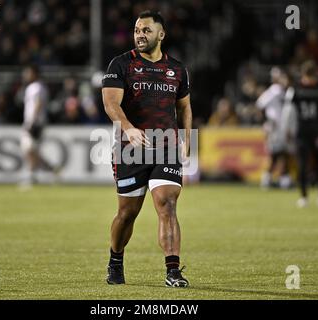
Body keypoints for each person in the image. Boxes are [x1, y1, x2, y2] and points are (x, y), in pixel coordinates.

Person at [102, 11, 192, 287]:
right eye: (137, 30)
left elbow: (184, 106)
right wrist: (128, 127)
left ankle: (173, 271)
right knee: (127, 214)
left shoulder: (177, 69)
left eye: (146, 30)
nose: (140, 34)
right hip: (131, 149)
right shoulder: (121, 64)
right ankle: (115, 260)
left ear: (161, 34)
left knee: (167, 204)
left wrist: (187, 138)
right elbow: (111, 104)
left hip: (166, 147)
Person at [281, 60, 318, 207]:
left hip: (302, 133)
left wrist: (286, 129)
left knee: (303, 165)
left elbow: (288, 111)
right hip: (316, 133)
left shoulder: (295, 88)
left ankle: (304, 197)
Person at [20, 64, 58, 188]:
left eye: (28, 72)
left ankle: (31, 178)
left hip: (35, 123)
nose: (26, 75)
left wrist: (32, 121)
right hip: (33, 122)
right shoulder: (33, 87)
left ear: (34, 74)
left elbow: (38, 103)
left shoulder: (37, 87)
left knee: (29, 150)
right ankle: (51, 169)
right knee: (32, 151)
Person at [256, 67, 292, 189]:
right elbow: (260, 104)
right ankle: (279, 180)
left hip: (279, 127)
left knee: (278, 155)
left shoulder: (282, 91)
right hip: (276, 127)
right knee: (278, 154)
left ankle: (271, 179)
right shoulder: (275, 90)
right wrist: (267, 122)